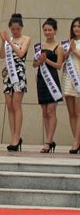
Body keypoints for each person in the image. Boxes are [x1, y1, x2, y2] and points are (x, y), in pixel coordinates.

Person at [0, 13, 29, 151]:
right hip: (8, 74)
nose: (15, 31)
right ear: (10, 28)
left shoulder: (25, 39)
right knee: (9, 106)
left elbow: (21, 53)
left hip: (19, 73)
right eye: (13, 29)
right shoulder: (7, 40)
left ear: (21, 27)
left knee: (17, 105)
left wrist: (10, 42)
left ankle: (17, 136)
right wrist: (3, 41)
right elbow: (1, 55)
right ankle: (12, 136)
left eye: (17, 29)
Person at [35, 18, 64, 153]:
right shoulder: (39, 46)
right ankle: (49, 140)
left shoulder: (59, 47)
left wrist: (46, 60)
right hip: (41, 79)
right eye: (45, 30)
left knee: (51, 111)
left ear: (55, 31)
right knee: (44, 112)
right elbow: (34, 64)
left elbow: (59, 66)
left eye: (50, 30)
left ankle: (49, 141)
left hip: (52, 79)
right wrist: (39, 61)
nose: (47, 32)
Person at [63, 17, 80, 154]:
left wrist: (74, 51)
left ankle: (76, 141)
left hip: (79, 75)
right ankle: (76, 139)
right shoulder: (68, 42)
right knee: (71, 112)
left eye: (79, 26)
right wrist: (68, 51)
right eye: (74, 26)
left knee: (79, 112)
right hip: (69, 75)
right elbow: (61, 59)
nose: (76, 29)